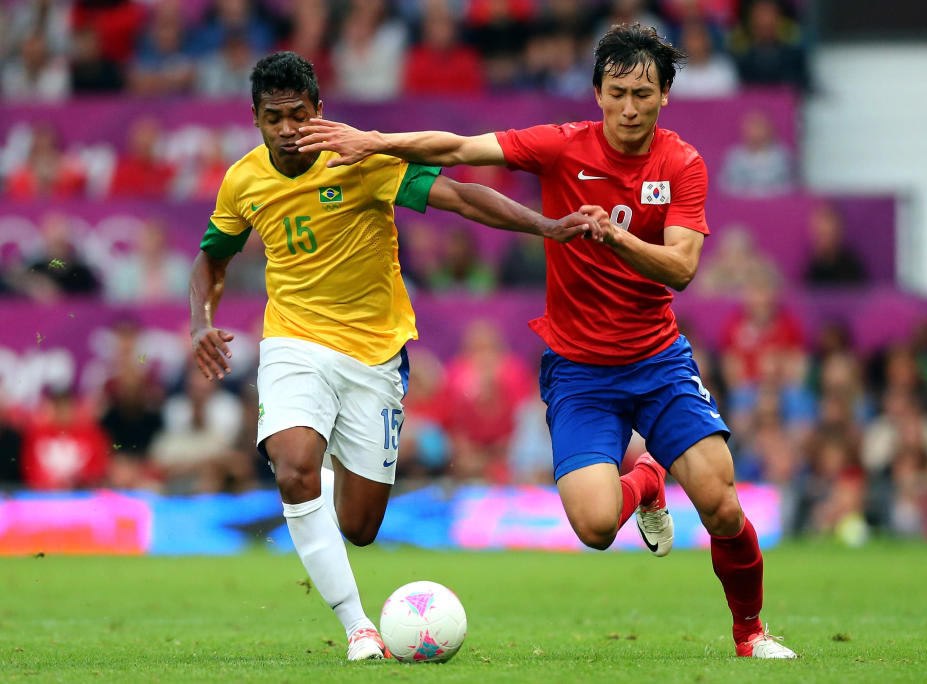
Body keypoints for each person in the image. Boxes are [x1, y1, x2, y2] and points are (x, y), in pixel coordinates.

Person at [296, 23, 798, 658]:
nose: (630, 107)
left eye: (644, 93)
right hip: (581, 370)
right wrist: (374, 141)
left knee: (722, 506)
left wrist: (617, 238)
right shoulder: (562, 147)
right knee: (592, 527)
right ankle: (646, 479)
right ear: (597, 92)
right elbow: (456, 148)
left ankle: (751, 635)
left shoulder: (681, 163)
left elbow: (682, 267)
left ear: (665, 95)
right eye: (617, 91)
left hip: (658, 359)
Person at [189, 51, 599, 662]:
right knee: (295, 464)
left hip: (375, 356)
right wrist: (201, 322)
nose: (287, 129)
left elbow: (458, 197)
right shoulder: (243, 181)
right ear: (255, 119)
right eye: (273, 118)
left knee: (359, 526)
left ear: (318, 111)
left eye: (297, 115)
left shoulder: (358, 159)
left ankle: (313, 496)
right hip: (293, 341)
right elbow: (211, 259)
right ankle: (358, 628)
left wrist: (547, 226)